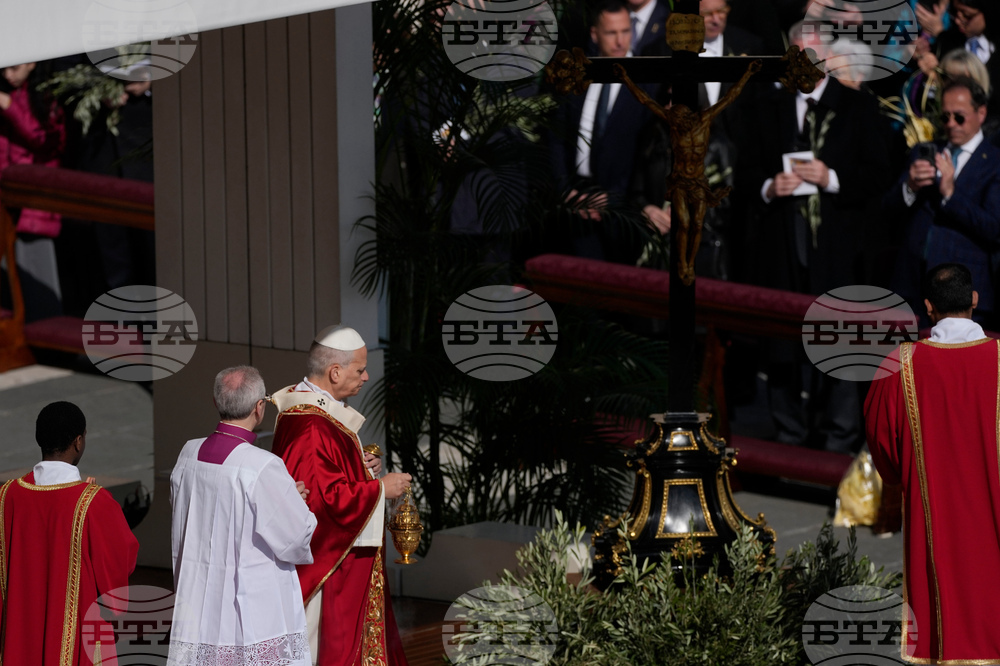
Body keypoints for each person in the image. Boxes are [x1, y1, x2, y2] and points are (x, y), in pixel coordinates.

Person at [745, 22, 891, 453]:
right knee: (782, 346)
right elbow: (746, 172)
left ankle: (837, 440)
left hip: (837, 249)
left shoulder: (856, 107)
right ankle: (788, 435)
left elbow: (879, 176)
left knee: (839, 342)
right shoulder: (766, 106)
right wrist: (771, 187)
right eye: (793, 54)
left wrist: (832, 178)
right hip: (782, 248)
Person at [865, 263, 1000, 664]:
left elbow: (883, 449)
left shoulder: (899, 367)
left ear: (927, 307)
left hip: (933, 523)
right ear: (975, 300)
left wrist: (903, 477)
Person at [271, 325, 412, 666]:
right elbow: (323, 501)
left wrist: (361, 468)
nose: (366, 377)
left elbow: (327, 475)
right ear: (335, 372)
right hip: (331, 570)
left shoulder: (310, 412)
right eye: (360, 369)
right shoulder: (312, 427)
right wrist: (381, 488)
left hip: (341, 560)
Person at [168, 366, 317, 665]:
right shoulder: (262, 466)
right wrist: (293, 502)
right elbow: (296, 536)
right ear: (259, 408)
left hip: (198, 596)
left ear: (215, 402)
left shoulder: (188, 454)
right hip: (249, 602)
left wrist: (284, 495)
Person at [0, 401, 138, 664]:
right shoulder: (95, 503)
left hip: (20, 637)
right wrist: (95, 506)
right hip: (73, 644)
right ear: (78, 442)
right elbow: (120, 563)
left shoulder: (7, 496)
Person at [887, 77, 1000, 328]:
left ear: (981, 113)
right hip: (912, 284)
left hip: (962, 294)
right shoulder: (925, 151)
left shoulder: (994, 161)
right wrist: (911, 186)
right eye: (945, 117)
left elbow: (994, 227)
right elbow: (887, 210)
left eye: (959, 117)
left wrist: (951, 194)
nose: (951, 124)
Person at [547, 0, 654, 262]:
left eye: (625, 31)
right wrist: (566, 190)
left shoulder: (647, 83)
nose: (620, 40)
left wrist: (612, 198)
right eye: (611, 33)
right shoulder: (576, 74)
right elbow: (556, 136)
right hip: (573, 204)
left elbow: (645, 152)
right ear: (595, 34)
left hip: (621, 210)